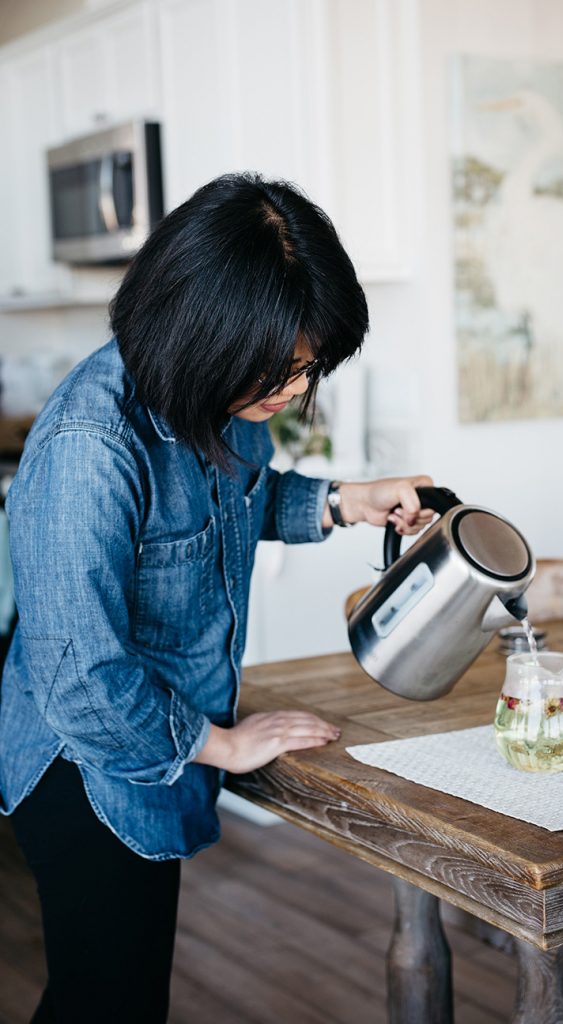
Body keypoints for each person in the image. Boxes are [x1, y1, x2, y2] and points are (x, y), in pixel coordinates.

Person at [0, 173, 434, 1023]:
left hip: (148, 739)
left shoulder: (217, 395)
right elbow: (82, 682)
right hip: (89, 767)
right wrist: (222, 744)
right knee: (106, 1004)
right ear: (203, 333)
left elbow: (234, 504)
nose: (293, 391)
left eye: (307, 367)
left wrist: (345, 500)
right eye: (279, 370)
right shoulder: (91, 448)